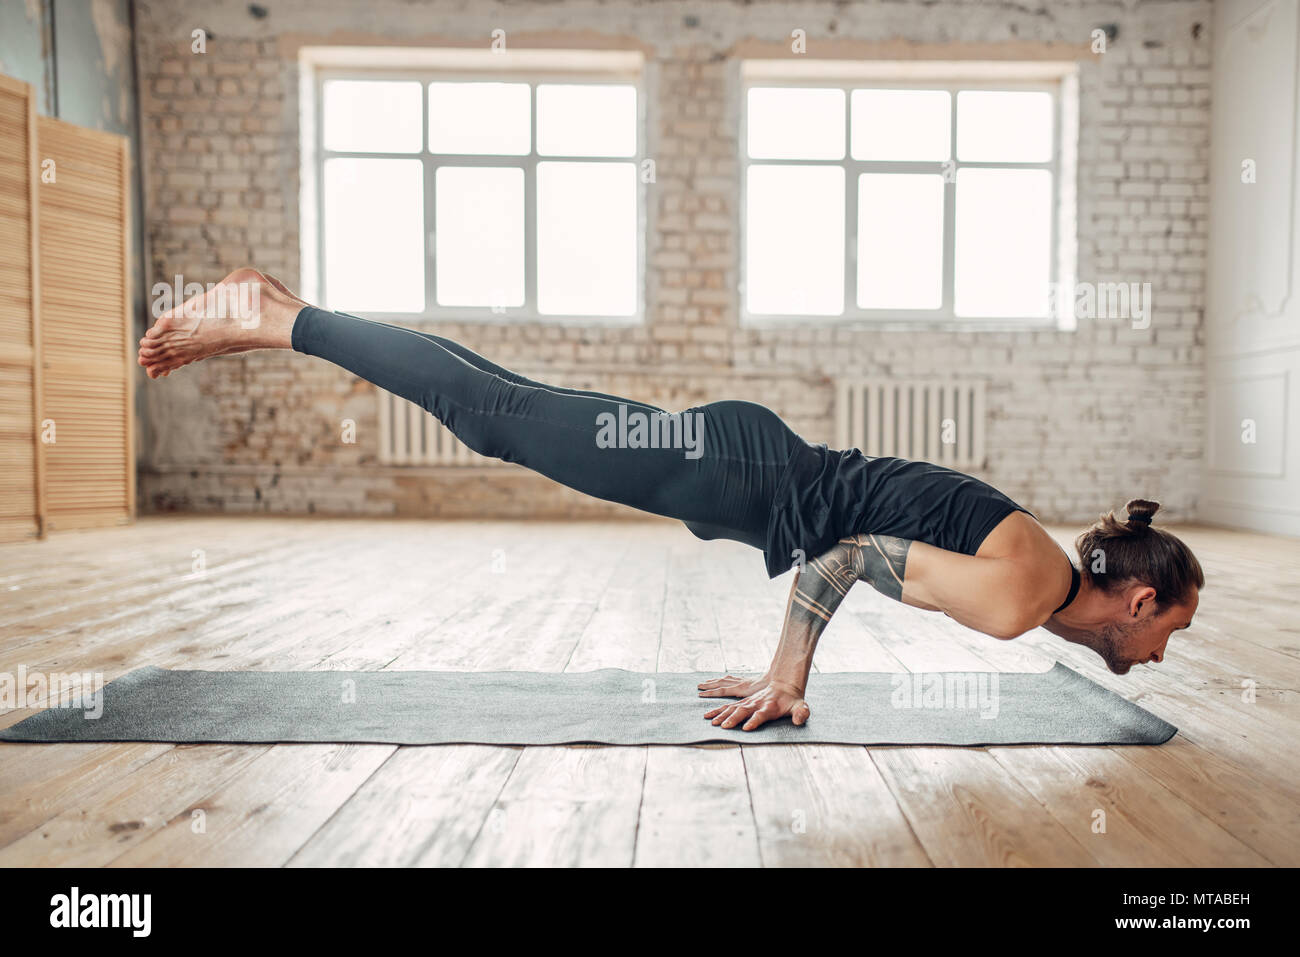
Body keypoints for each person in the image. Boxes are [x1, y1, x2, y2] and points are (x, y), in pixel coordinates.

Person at [138, 269, 1204, 731]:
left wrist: (785, 666)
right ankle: (279, 319)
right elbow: (842, 558)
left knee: (505, 408)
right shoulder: (1024, 593)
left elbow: (855, 546)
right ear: (1140, 602)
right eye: (1168, 634)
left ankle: (280, 311)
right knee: (497, 416)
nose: (1157, 658)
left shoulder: (1033, 571)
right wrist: (789, 678)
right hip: (743, 473)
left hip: (748, 469)